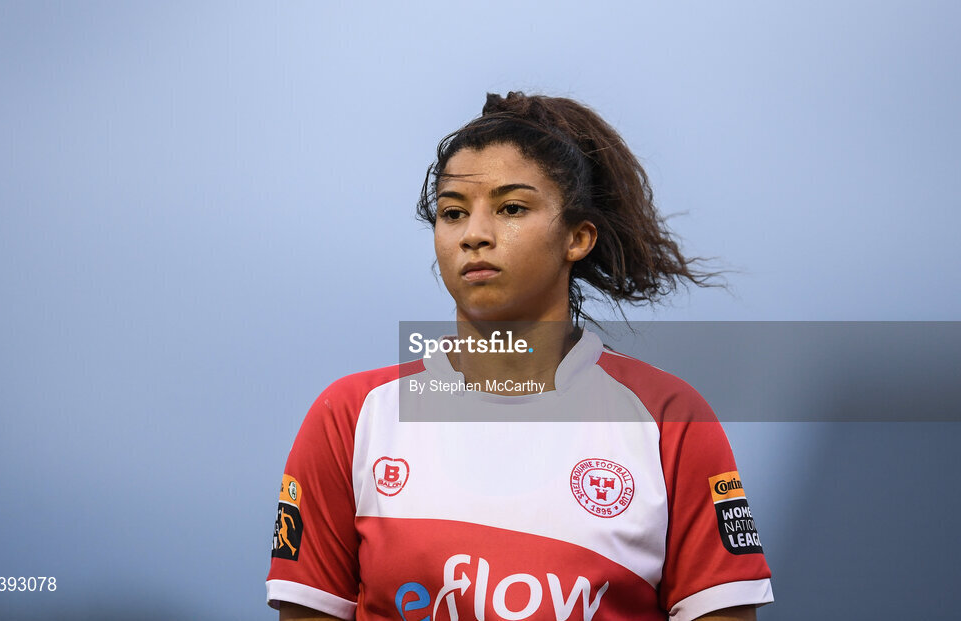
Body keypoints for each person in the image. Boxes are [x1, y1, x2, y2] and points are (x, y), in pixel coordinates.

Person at [266, 92, 773, 621]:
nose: (475, 236)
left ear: (577, 237)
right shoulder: (352, 417)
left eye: (511, 208)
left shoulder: (669, 419)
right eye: (452, 213)